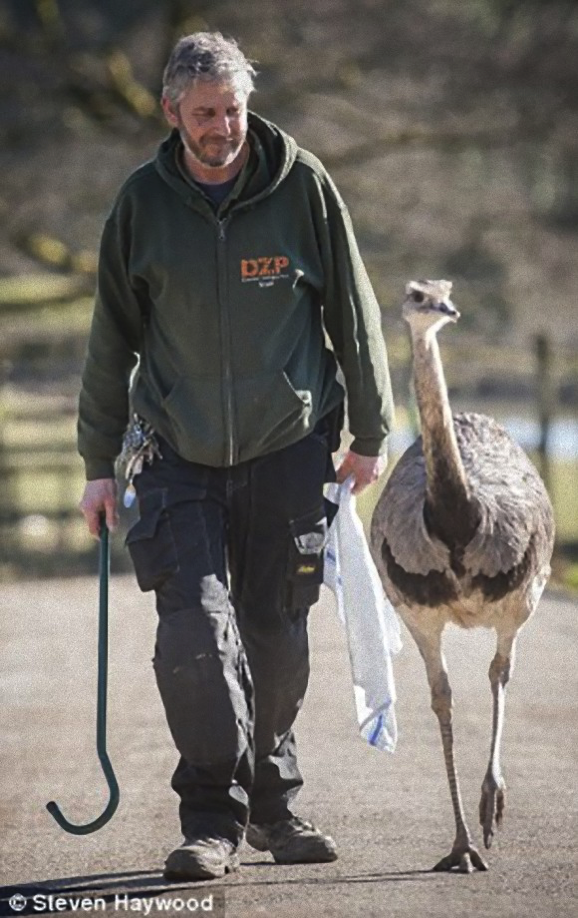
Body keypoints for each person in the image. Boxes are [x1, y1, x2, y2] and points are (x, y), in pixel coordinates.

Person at [78, 31, 394, 882]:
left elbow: (356, 315)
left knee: (277, 639)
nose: (225, 127)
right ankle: (211, 818)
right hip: (175, 452)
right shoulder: (141, 204)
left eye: (236, 108)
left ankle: (276, 804)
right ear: (172, 111)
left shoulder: (304, 188)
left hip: (288, 448)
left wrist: (369, 431)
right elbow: (110, 341)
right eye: (207, 112)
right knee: (196, 633)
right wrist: (97, 463)